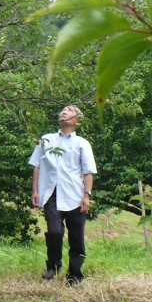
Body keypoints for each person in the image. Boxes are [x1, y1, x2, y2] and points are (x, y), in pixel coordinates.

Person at [28, 105, 97, 285]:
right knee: (55, 232)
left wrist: (87, 195)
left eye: (70, 110)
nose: (64, 112)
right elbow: (37, 166)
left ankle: (75, 275)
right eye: (63, 110)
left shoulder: (82, 143)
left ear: (77, 121)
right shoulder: (46, 140)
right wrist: (35, 191)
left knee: (76, 238)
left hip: (75, 195)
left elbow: (88, 172)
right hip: (51, 194)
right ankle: (53, 266)